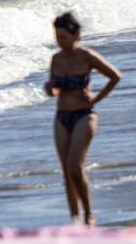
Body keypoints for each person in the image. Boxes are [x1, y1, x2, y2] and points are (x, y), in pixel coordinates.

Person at [42, 13, 119, 226]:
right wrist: (49, 88)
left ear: (76, 35)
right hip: (61, 116)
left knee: (75, 166)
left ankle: (89, 214)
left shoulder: (86, 56)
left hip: (84, 115)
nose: (60, 41)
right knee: (66, 170)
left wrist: (96, 98)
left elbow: (115, 76)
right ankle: (74, 219)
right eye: (57, 37)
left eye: (64, 36)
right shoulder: (56, 59)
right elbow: (54, 90)